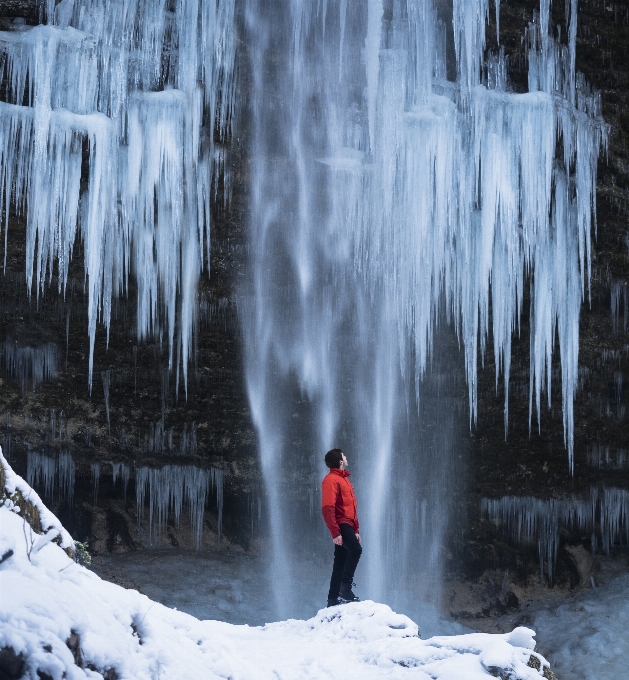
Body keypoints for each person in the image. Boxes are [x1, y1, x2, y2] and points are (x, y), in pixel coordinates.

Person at [321, 448, 362, 607]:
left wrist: (356, 530)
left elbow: (352, 507)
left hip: (348, 524)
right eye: (344, 455)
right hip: (341, 523)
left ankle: (332, 599)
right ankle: (345, 588)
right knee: (356, 550)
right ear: (340, 461)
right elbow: (327, 507)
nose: (346, 457)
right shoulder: (331, 479)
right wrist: (335, 532)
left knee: (340, 561)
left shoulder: (344, 479)